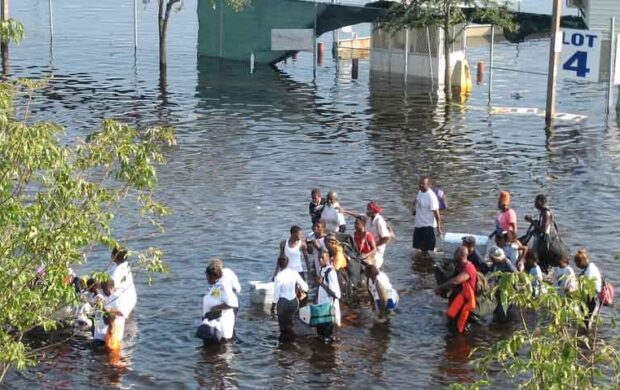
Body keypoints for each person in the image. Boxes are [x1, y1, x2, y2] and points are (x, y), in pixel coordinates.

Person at [435, 246, 477, 333]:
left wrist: (440, 287)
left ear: (461, 255)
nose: (454, 255)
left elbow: (456, 281)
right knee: (451, 324)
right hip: (456, 300)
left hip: (464, 304)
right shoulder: (458, 266)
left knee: (459, 328)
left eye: (456, 253)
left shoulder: (468, 268)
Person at [525, 194, 566, 273]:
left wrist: (531, 221)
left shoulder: (546, 213)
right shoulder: (543, 212)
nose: (534, 204)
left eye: (535, 202)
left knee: (539, 255)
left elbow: (544, 230)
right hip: (547, 237)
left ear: (540, 202)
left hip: (548, 239)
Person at [271, 256, 308, 340]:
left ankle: (285, 343)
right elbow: (305, 288)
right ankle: (293, 339)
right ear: (288, 263)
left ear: (279, 265)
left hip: (283, 303)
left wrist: (272, 307)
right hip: (294, 302)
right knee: (291, 321)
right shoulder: (294, 273)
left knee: (283, 326)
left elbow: (276, 295)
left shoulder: (278, 277)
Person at [200, 263, 238, 343]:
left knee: (222, 350)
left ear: (212, 276)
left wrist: (215, 308)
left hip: (220, 328)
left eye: (207, 276)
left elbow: (232, 303)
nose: (206, 279)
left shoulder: (223, 286)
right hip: (212, 326)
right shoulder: (216, 285)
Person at [316, 248, 341, 341]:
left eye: (322, 258)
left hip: (329, 306)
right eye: (319, 258)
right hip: (322, 306)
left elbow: (336, 294)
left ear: (328, 258)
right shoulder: (321, 269)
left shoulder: (331, 272)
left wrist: (321, 284)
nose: (320, 260)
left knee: (327, 334)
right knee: (321, 333)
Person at [413, 176, 443, 254]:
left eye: (423, 184)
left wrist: (439, 228)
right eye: (419, 183)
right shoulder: (420, 192)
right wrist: (415, 209)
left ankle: (429, 263)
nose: (420, 185)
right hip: (418, 224)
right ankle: (422, 262)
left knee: (428, 250)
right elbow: (418, 202)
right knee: (418, 248)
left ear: (429, 185)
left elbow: (437, 213)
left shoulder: (431, 197)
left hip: (428, 226)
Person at [574, 248, 603, 329]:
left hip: (593, 300)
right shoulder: (588, 268)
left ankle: (589, 338)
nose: (577, 266)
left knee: (588, 322)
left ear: (581, 262)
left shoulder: (590, 270)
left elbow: (589, 287)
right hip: (587, 299)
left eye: (577, 264)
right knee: (584, 320)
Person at [107, 247, 137, 318]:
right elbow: (106, 276)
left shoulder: (118, 272)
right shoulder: (122, 265)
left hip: (121, 305)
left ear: (114, 256)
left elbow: (111, 287)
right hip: (129, 300)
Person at [365, 201, 392, 269]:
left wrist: (375, 246)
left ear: (373, 210)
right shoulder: (369, 219)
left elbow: (386, 238)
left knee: (373, 267)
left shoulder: (379, 220)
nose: (367, 211)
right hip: (370, 248)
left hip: (377, 250)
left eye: (368, 209)